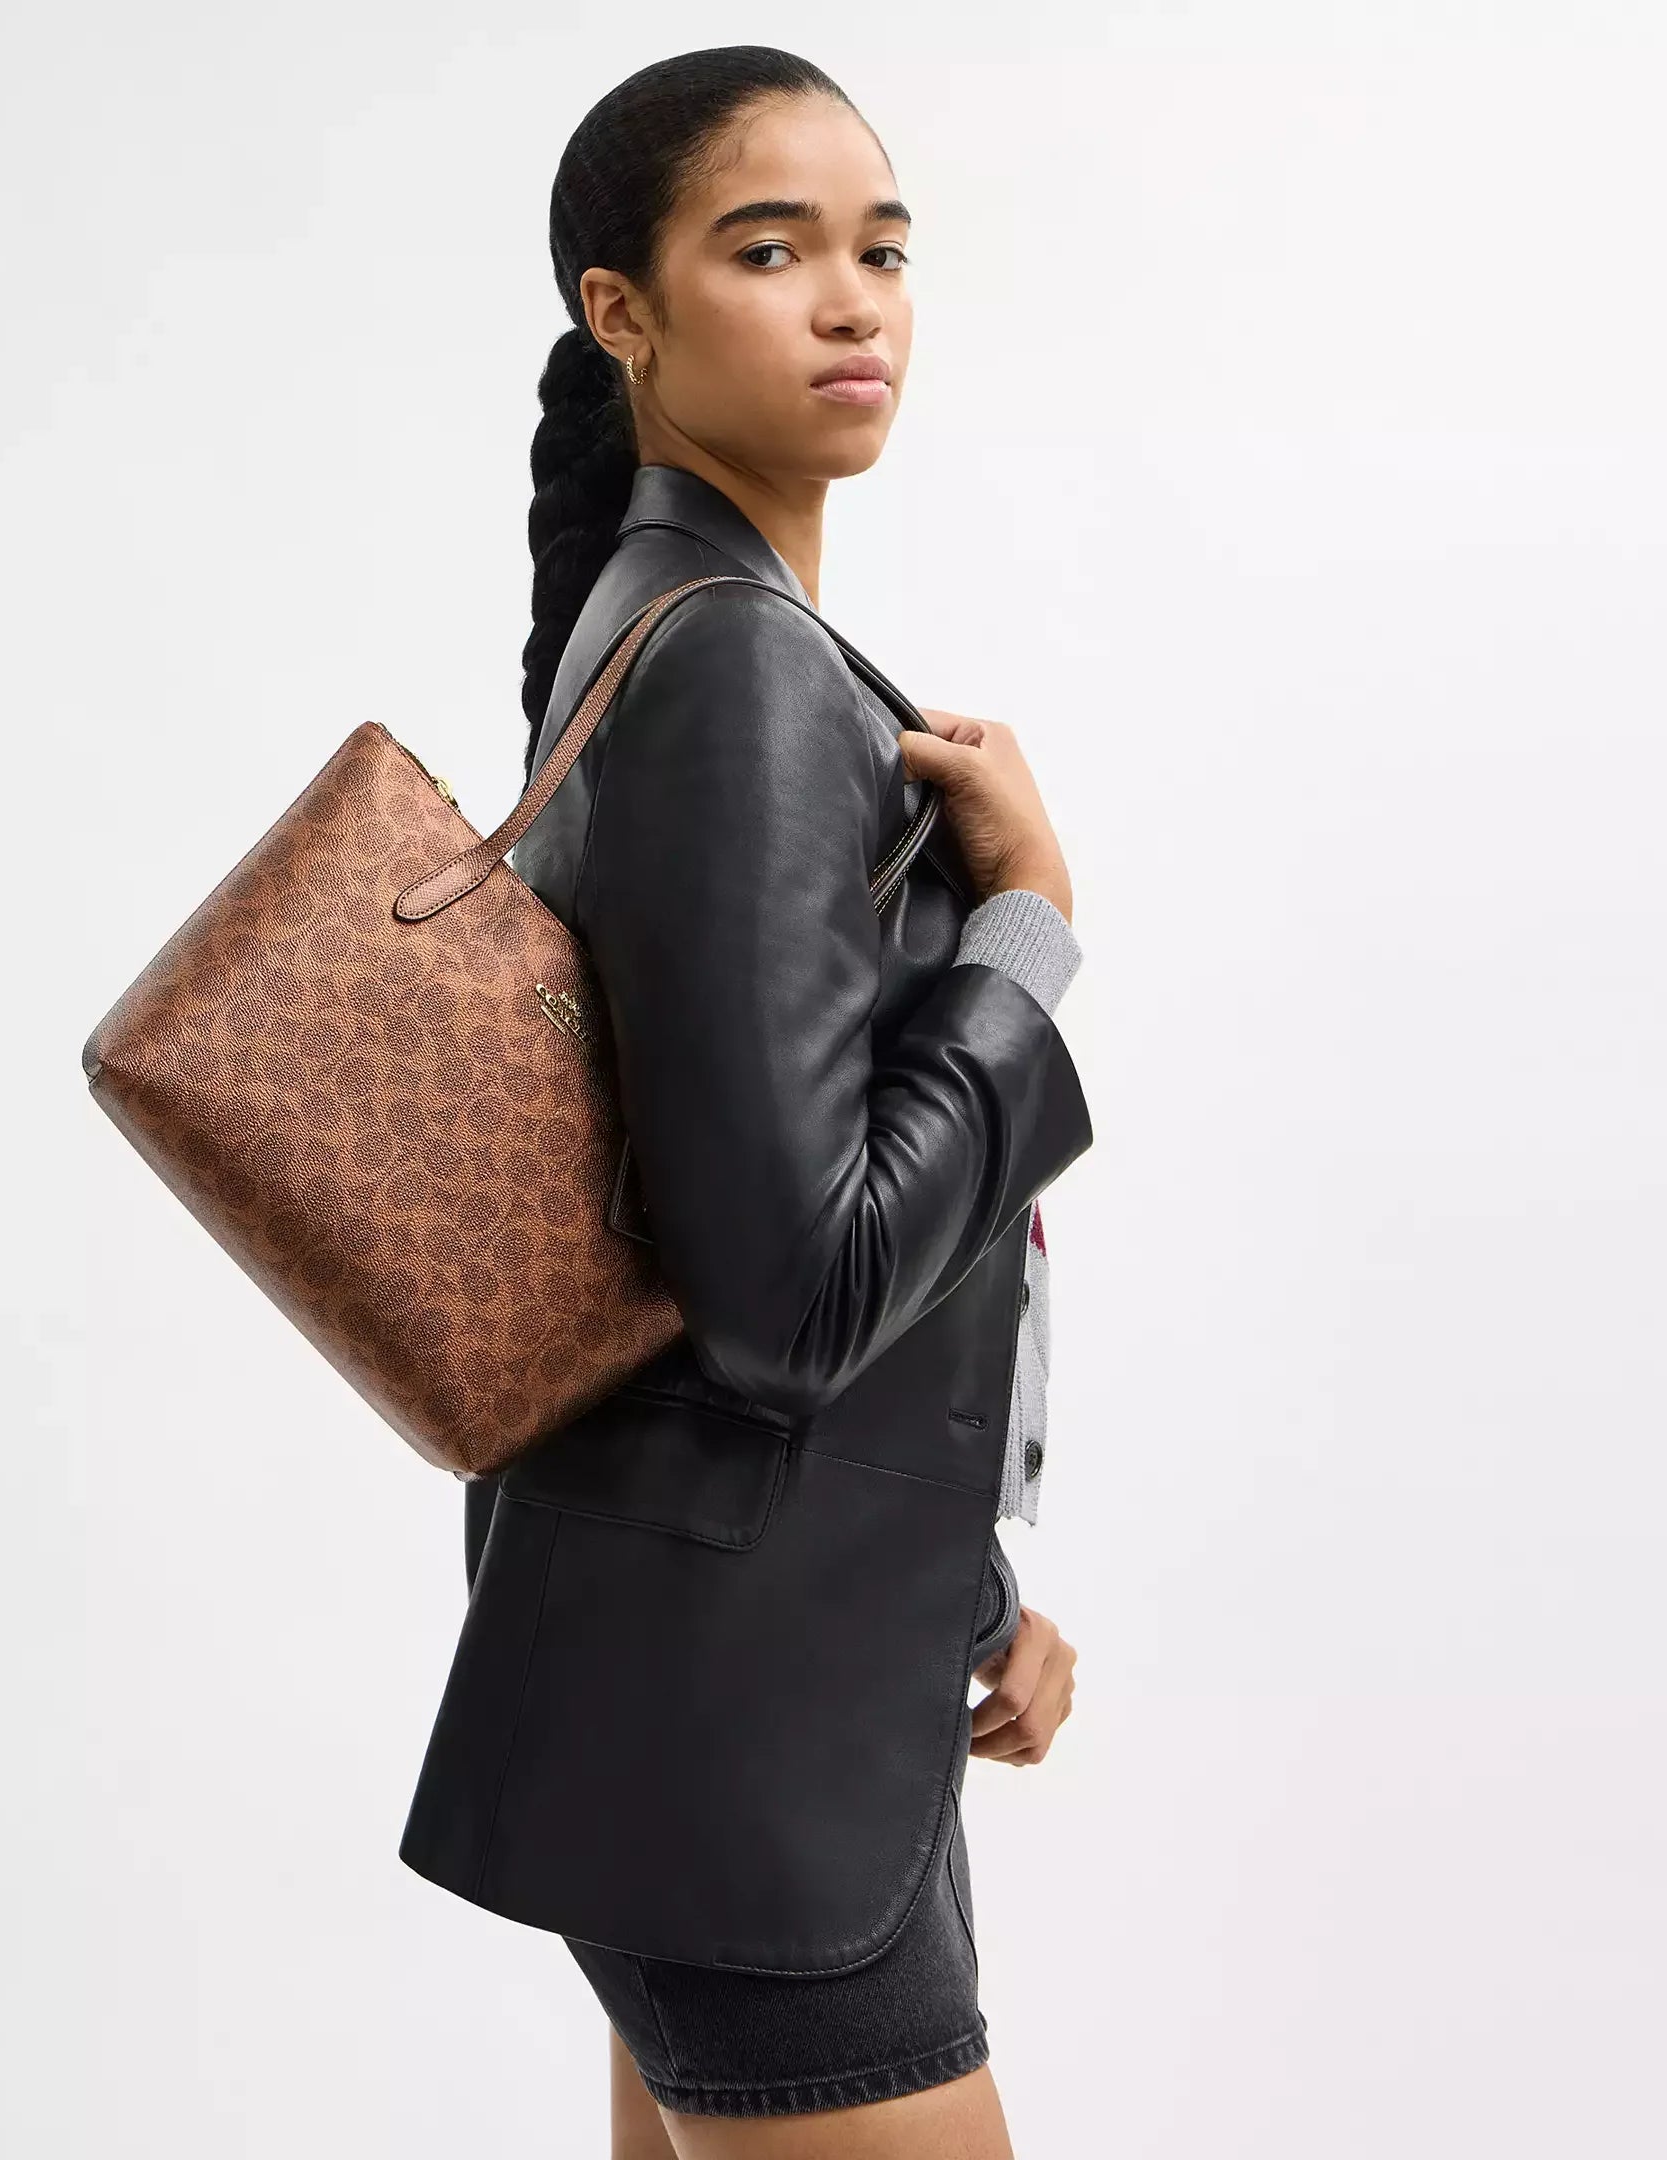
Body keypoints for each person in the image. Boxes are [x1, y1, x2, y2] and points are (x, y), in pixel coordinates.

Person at [398, 46, 1093, 2157]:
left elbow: (710, 1235)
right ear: (620, 312)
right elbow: (792, 1292)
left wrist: (963, 1591)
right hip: (734, 1702)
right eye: (769, 251)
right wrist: (1028, 934)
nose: (851, 300)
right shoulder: (738, 668)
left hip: (733, 1670)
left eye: (883, 248)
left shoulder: (692, 631)